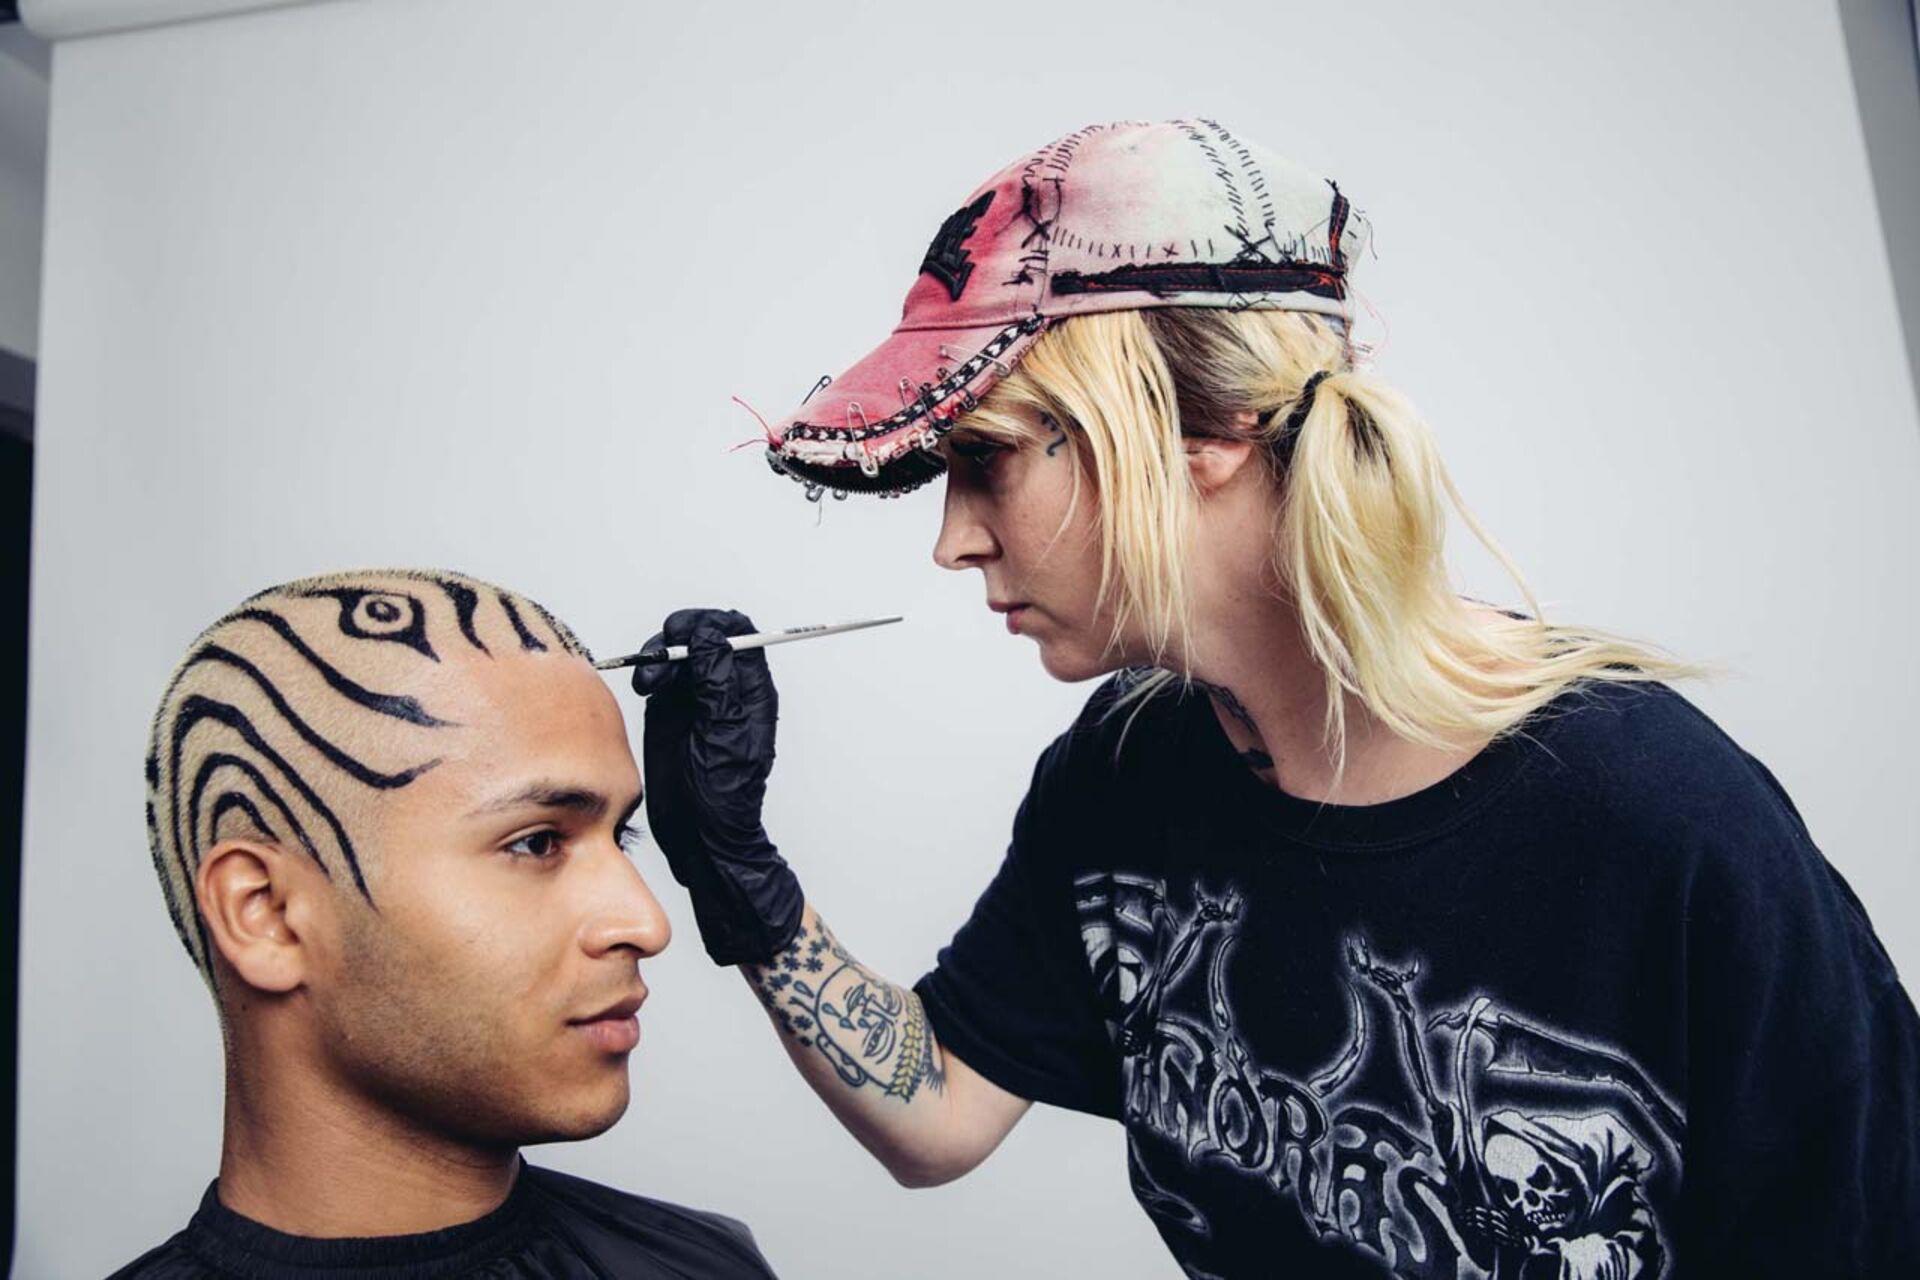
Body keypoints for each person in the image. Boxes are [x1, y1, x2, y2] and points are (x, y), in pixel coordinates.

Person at [629, 121, 1920, 1278]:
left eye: (989, 460)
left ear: (1203, 432)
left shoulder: (1658, 816)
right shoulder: (1125, 772)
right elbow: (944, 1113)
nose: (953, 540)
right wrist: (736, 867)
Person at [114, 569, 779, 1279]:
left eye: (621, 837)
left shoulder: (707, 1264)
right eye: (537, 843)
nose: (647, 924)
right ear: (266, 915)